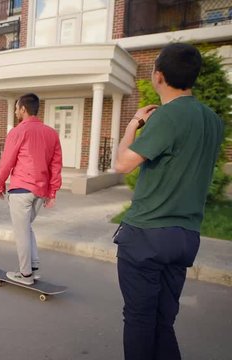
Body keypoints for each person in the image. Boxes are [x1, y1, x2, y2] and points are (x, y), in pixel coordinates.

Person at [113, 43, 224, 360]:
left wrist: (134, 122)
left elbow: (123, 164)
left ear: (157, 76)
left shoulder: (167, 116)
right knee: (163, 323)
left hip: (148, 234)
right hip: (186, 237)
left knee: (139, 321)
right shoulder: (213, 121)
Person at [0, 93, 62, 285]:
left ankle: (25, 275)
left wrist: (0, 183)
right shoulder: (51, 133)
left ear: (23, 109)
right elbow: (56, 165)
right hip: (40, 192)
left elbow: (7, 161)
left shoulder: (18, 131)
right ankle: (32, 265)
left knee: (21, 232)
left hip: (21, 190)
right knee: (26, 227)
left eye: (16, 108)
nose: (15, 111)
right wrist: (52, 192)